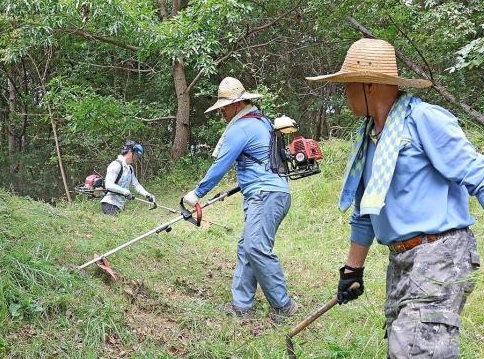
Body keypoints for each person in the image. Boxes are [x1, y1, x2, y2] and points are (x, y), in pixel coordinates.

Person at [307, 38, 482, 358]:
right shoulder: (368, 137)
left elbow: (478, 175)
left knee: (417, 347)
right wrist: (352, 271)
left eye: (348, 85)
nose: (344, 94)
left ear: (370, 85)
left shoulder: (424, 119)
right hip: (401, 258)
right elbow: (365, 211)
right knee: (403, 342)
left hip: (440, 252)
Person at [182, 77, 296, 322]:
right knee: (247, 247)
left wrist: (197, 193)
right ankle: (242, 305)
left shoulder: (241, 127)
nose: (221, 111)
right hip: (271, 192)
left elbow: (221, 164)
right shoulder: (262, 122)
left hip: (266, 194)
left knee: (255, 247)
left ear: (237, 104)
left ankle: (284, 305)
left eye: (224, 106)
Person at [100, 140, 155, 216]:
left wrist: (147, 195)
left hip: (120, 206)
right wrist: (124, 191)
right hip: (109, 204)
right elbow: (108, 185)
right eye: (136, 155)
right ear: (129, 152)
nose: (137, 158)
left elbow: (136, 185)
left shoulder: (130, 169)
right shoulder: (116, 165)